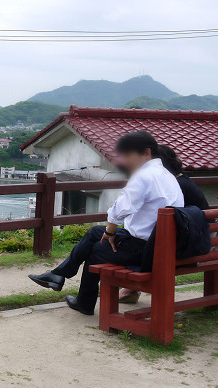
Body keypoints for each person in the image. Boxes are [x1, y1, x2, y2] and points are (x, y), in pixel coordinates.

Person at [28, 131, 184, 315]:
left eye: (129, 155)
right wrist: (108, 231)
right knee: (95, 233)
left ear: (146, 153)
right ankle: (59, 274)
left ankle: (81, 299)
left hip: (145, 250)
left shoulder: (145, 176)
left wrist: (110, 231)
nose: (125, 161)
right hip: (160, 246)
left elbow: (121, 207)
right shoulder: (167, 175)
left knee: (96, 249)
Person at [118, 144, 209, 303]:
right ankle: (130, 290)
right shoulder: (183, 181)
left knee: (138, 247)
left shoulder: (173, 186)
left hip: (194, 247)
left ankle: (129, 290)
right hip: (203, 241)